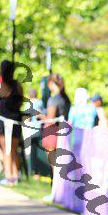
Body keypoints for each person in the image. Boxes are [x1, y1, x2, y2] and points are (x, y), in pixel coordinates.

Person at [37, 73, 71, 201]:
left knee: (54, 166)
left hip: (51, 133)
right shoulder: (66, 99)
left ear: (51, 83)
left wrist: (39, 114)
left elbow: (50, 119)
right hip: (63, 133)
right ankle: (61, 193)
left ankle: (55, 194)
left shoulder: (53, 99)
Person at [0, 60, 24, 186]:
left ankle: (9, 177)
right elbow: (21, 102)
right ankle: (15, 176)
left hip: (4, 121)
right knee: (13, 150)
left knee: (6, 150)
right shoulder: (18, 86)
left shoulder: (0, 86)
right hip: (16, 120)